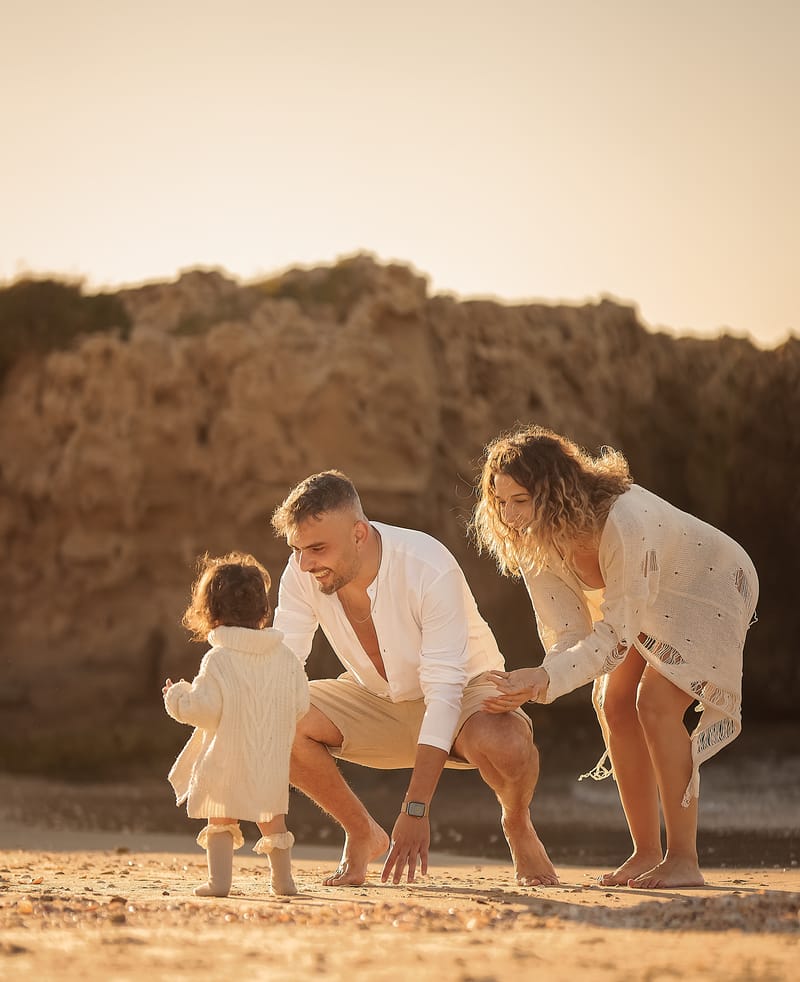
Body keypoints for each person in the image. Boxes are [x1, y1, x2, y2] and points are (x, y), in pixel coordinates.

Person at [471, 424, 759, 889]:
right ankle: (646, 853)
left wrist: (545, 680)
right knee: (612, 702)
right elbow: (570, 634)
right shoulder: (532, 540)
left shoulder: (623, 522)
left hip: (710, 585)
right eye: (500, 502)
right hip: (646, 595)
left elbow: (617, 636)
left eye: (520, 500)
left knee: (656, 704)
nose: (508, 515)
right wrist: (542, 676)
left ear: (555, 490)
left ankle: (684, 859)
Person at [270, 470, 558, 888]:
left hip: (463, 690)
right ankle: (362, 832)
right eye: (297, 549)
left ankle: (516, 823)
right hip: (374, 696)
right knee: (279, 716)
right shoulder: (302, 572)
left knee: (509, 746)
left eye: (316, 548)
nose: (305, 562)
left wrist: (416, 807)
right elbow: (284, 665)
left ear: (358, 534)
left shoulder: (427, 564)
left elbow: (443, 692)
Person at [163, 552, 310, 897]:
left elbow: (204, 710)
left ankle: (219, 882)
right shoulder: (285, 656)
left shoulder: (219, 659)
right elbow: (301, 701)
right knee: (272, 818)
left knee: (221, 817)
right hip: (270, 759)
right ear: (263, 612)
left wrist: (177, 695)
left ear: (208, 614)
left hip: (227, 758)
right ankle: (283, 882)